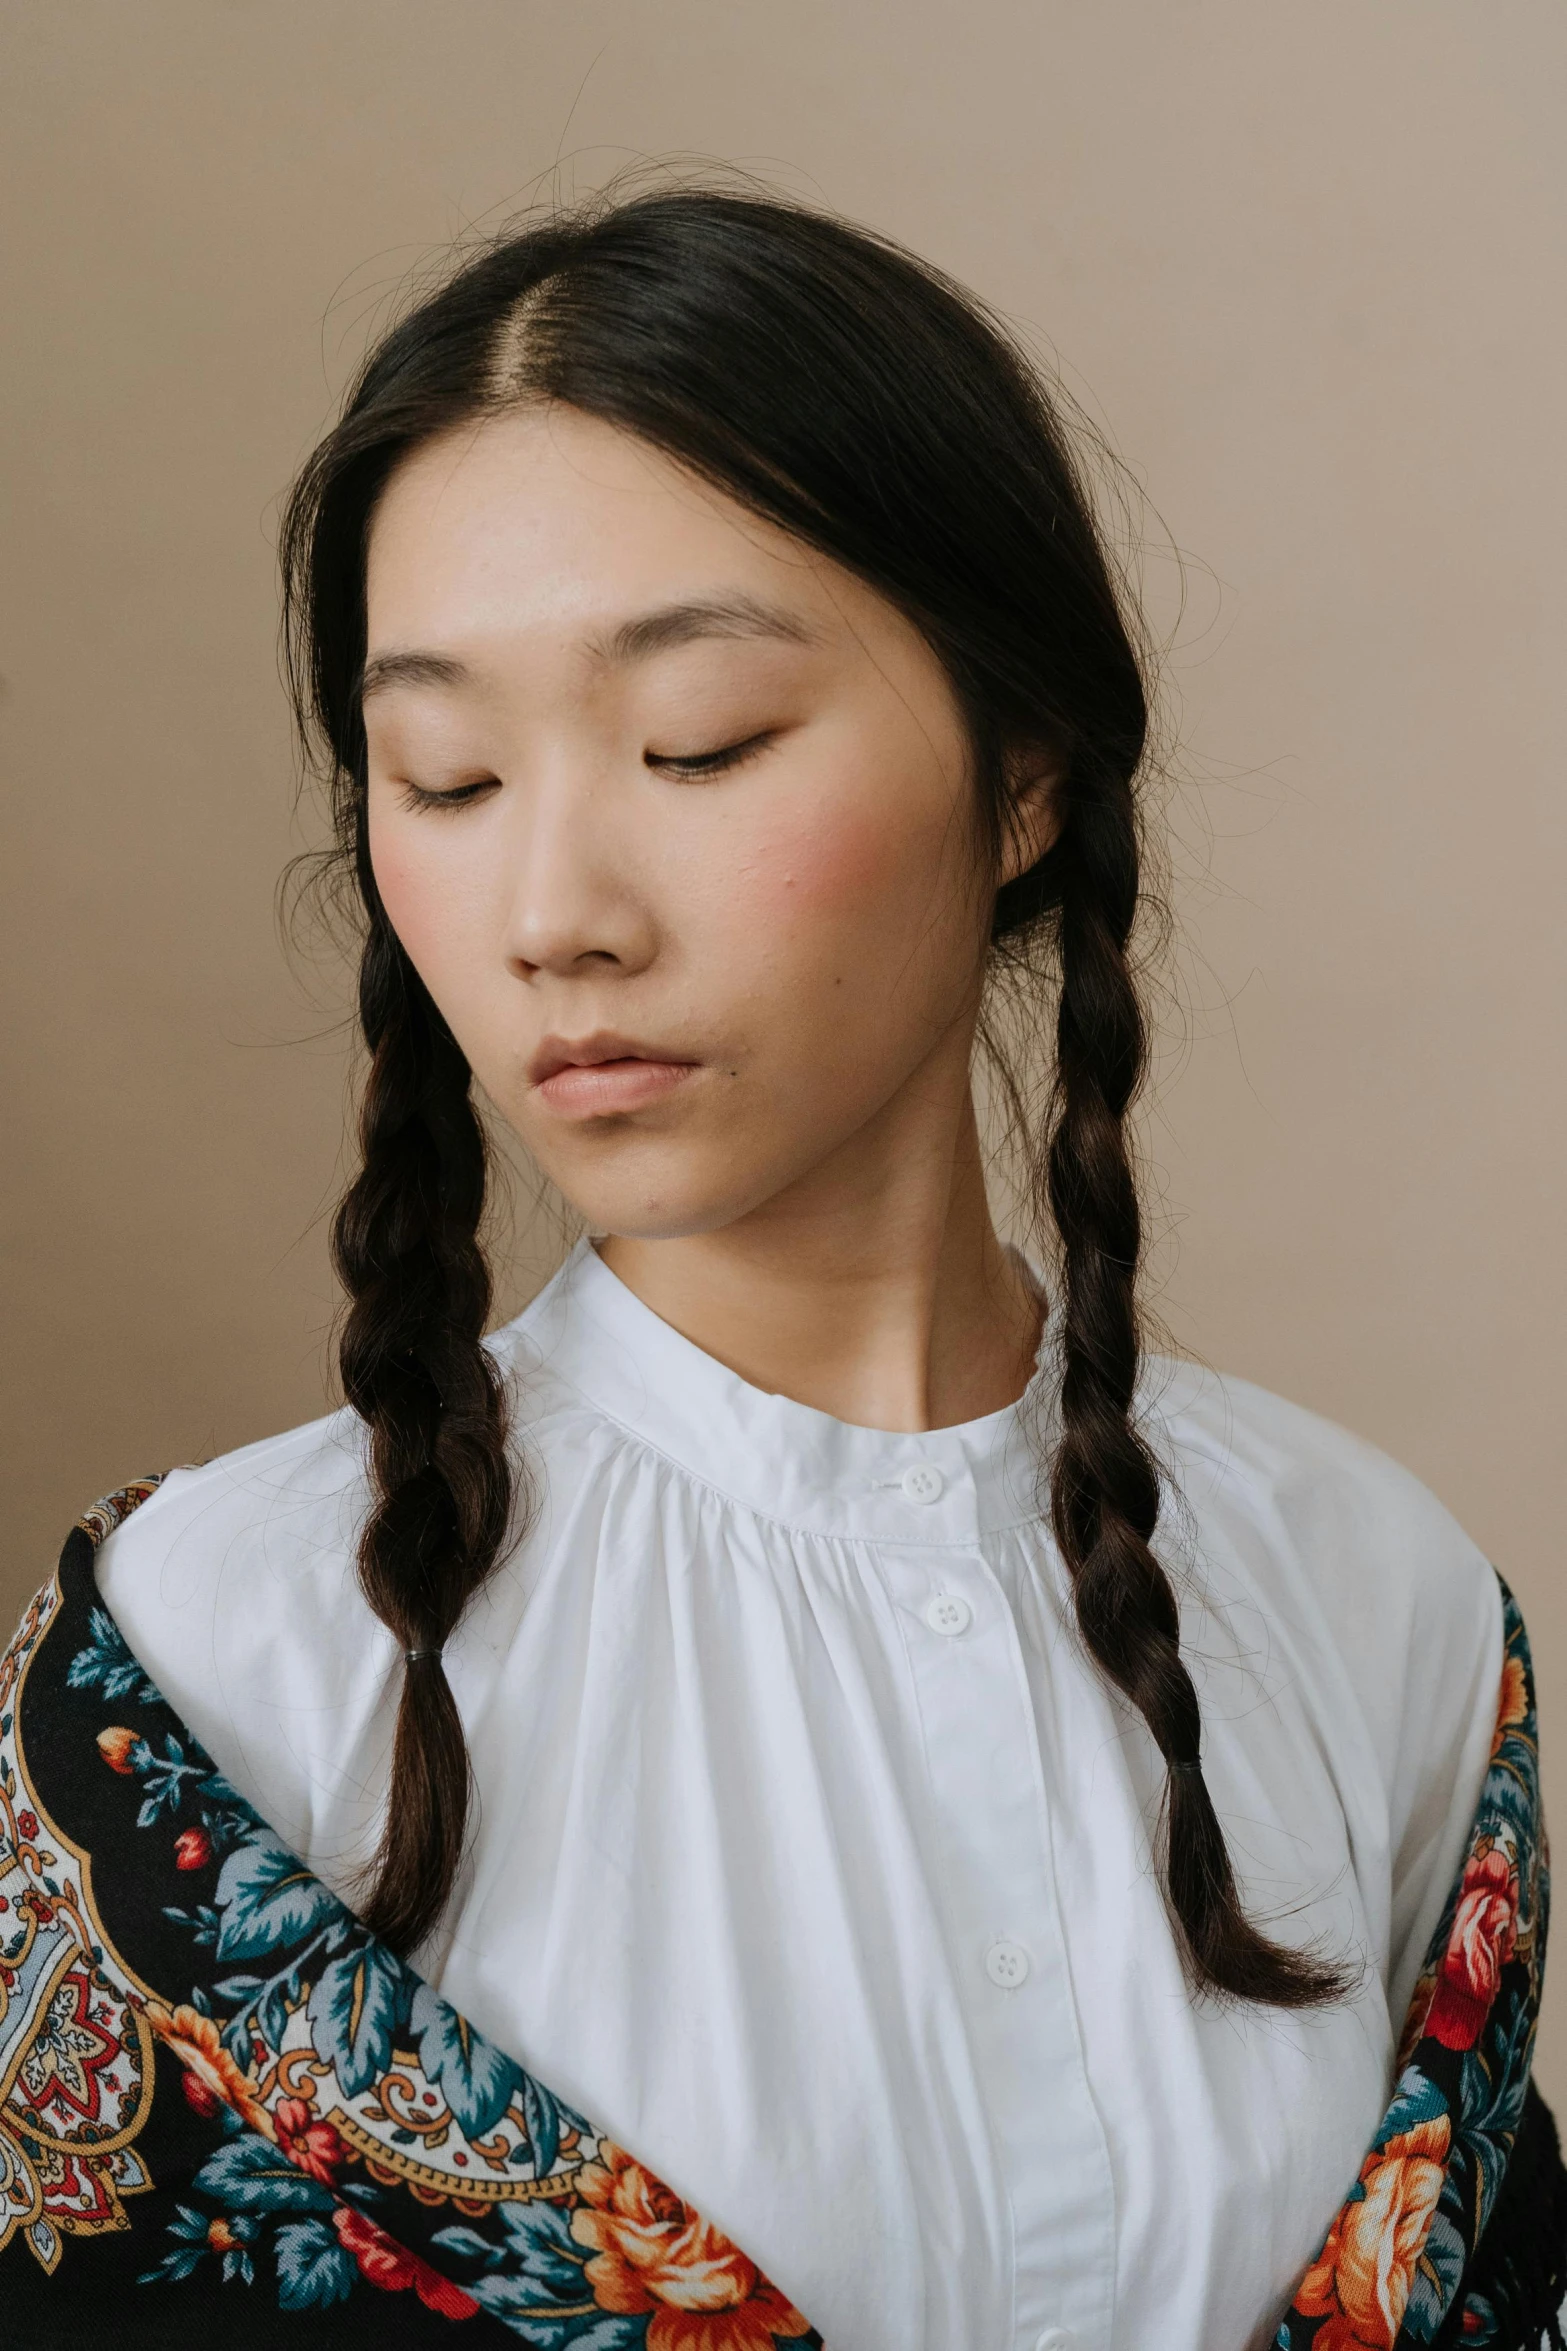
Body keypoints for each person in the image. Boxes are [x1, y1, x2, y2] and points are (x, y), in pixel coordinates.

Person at [2, 185, 1561, 2351]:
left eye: (701, 741)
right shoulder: (216, 1664)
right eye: (441, 773)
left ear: (1022, 770)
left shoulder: (1373, 1605)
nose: (555, 905)